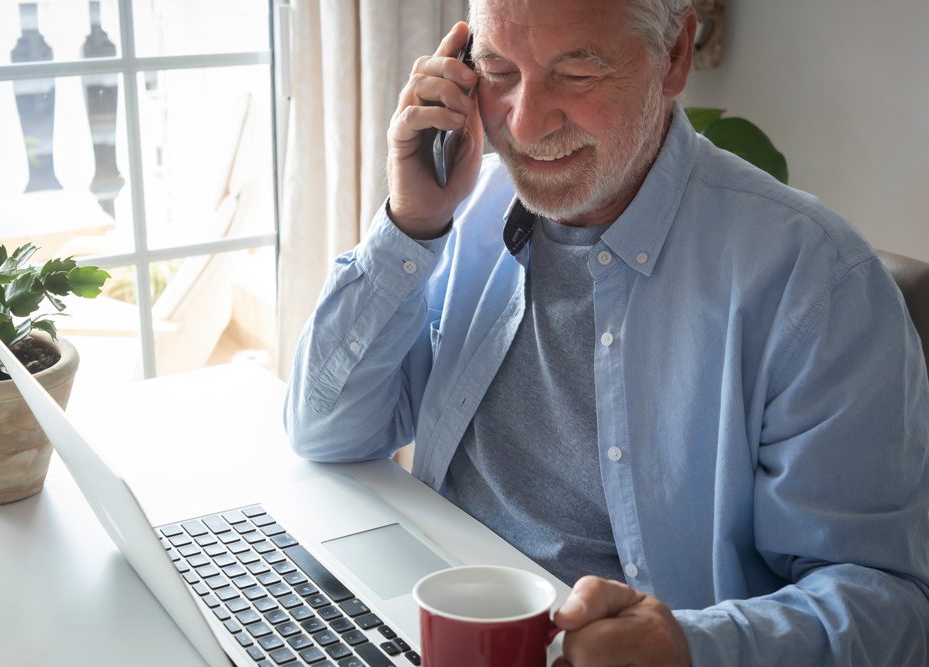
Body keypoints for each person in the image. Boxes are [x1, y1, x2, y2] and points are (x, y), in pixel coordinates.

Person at [284, 0, 929, 664]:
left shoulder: (814, 280)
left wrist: (689, 648)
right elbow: (328, 430)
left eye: (577, 72)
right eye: (498, 69)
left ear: (675, 54)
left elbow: (889, 605)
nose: (526, 122)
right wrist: (410, 225)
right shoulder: (471, 205)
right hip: (443, 624)